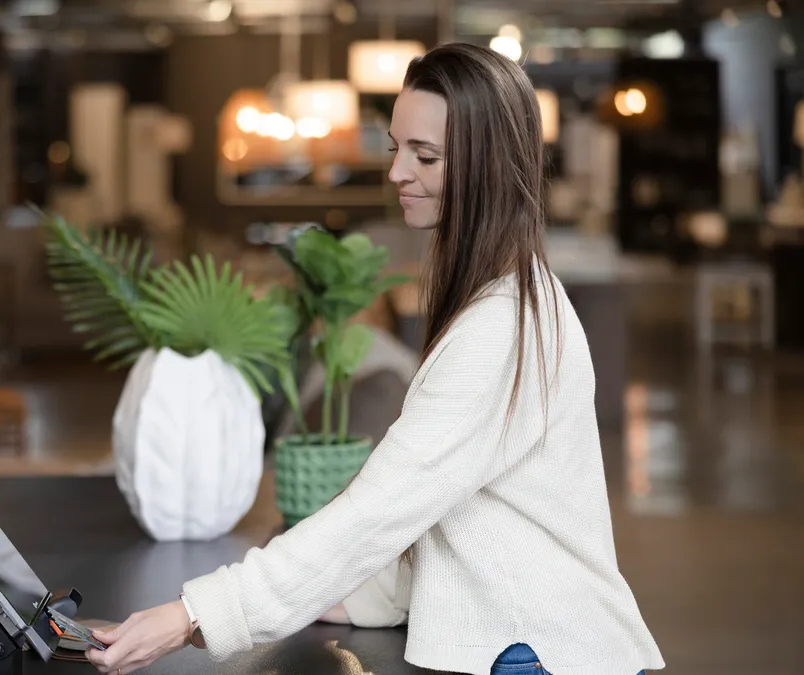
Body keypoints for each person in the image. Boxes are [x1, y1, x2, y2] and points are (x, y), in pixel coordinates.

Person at [85, 42, 665, 675]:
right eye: (397, 147)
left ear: (487, 167)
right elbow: (448, 508)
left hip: (532, 654)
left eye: (426, 155)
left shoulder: (499, 329)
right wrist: (355, 593)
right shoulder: (511, 296)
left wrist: (193, 616)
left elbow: (380, 510)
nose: (397, 173)